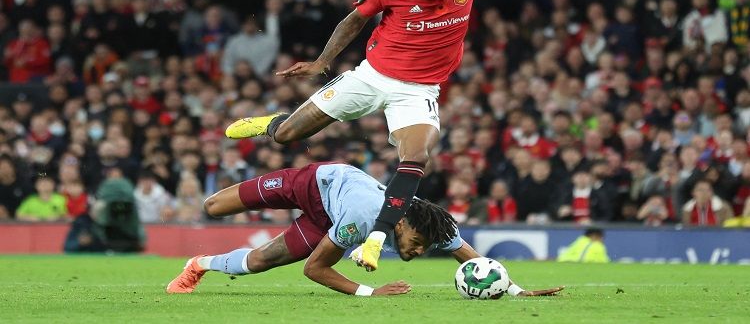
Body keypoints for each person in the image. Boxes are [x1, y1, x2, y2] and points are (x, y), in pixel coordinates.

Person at [224, 0, 574, 271]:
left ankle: (377, 236)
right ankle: (272, 123)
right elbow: (354, 21)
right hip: (372, 77)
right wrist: (321, 62)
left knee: (417, 157)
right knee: (286, 135)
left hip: (419, 91)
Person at [166, 162, 563, 297]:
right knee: (213, 206)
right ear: (401, 223)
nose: (420, 250)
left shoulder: (428, 223)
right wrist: (373, 293)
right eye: (417, 244)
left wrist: (513, 289)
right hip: (311, 183)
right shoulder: (361, 221)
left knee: (259, 262)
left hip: (328, 217)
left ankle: (198, 263)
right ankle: (271, 126)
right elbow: (314, 270)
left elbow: (473, 258)